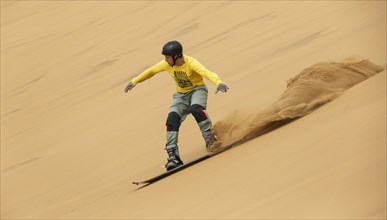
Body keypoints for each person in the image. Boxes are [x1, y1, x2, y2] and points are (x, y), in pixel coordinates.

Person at [124, 41, 229, 171]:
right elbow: (151, 71)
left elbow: (206, 73)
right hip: (181, 96)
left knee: (196, 109)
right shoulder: (167, 65)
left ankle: (210, 140)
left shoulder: (190, 63)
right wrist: (134, 81)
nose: (166, 60)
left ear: (176, 56)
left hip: (197, 90)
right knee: (171, 119)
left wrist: (218, 82)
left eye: (168, 57)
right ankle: (173, 156)